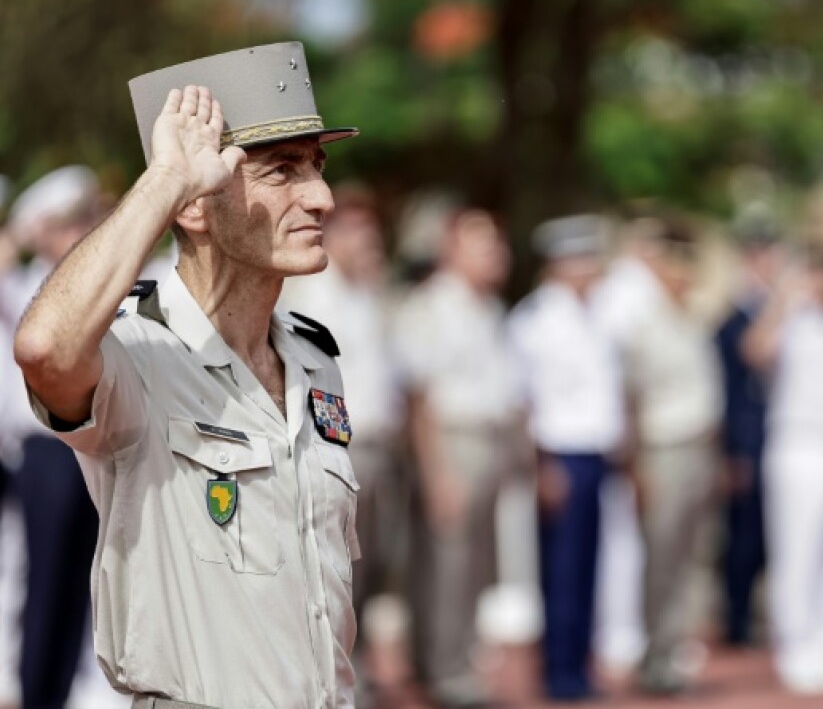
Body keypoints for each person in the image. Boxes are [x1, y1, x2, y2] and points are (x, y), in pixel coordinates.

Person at [13, 42, 364, 708]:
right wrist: (165, 180)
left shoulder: (315, 360)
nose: (321, 196)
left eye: (317, 167)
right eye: (281, 172)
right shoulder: (137, 354)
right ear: (196, 206)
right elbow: (44, 349)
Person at [279, 183, 409, 693]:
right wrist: (335, 446)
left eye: (373, 235)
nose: (369, 245)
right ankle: (331, 677)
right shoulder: (311, 296)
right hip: (340, 449)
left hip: (383, 445)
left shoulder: (373, 296)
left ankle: (362, 670)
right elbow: (313, 383)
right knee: (337, 567)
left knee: (376, 564)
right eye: (359, 234)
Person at [393, 208, 520, 708]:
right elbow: (419, 398)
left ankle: (448, 660)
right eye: (482, 244)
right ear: (452, 249)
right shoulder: (432, 306)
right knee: (447, 564)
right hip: (452, 441)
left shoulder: (486, 307)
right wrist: (438, 470)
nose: (496, 254)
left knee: (471, 565)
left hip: (488, 439)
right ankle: (446, 671)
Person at [743, 243, 823, 694]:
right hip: (802, 445)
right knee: (800, 550)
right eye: (814, 271)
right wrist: (785, 296)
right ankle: (795, 647)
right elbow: (754, 351)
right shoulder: (787, 319)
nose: (821, 280)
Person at [0, 166, 106, 709]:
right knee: (45, 584)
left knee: (88, 588)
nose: (83, 232)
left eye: (88, 219)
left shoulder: (102, 286)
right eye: (69, 223)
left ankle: (66, 692)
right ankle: (38, 691)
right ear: (40, 230)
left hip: (96, 448)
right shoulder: (19, 288)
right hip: (47, 451)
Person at [507, 215, 624, 702]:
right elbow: (524, 401)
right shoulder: (535, 318)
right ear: (559, 263)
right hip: (559, 454)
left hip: (596, 453)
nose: (591, 266)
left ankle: (580, 662)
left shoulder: (595, 313)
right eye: (582, 258)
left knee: (591, 566)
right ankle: (559, 671)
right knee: (562, 568)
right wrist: (541, 466)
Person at [620, 218, 722, 695]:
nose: (685, 275)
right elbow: (632, 401)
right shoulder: (644, 322)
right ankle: (654, 659)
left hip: (700, 447)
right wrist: (637, 465)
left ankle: (675, 651)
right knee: (661, 558)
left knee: (690, 558)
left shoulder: (690, 319)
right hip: (663, 449)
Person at [714, 216, 782, 648]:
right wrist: (730, 452)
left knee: (767, 536)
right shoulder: (732, 321)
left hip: (777, 436)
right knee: (741, 536)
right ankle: (735, 621)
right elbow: (730, 389)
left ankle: (752, 616)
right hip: (746, 440)